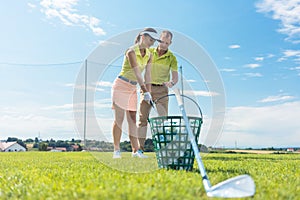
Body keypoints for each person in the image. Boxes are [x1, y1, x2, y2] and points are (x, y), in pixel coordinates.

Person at [111, 28, 160, 159]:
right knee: (119, 119)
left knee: (132, 118)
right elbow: (138, 73)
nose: (152, 43)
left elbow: (147, 75)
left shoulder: (150, 55)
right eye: (151, 40)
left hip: (132, 88)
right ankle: (116, 150)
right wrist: (144, 90)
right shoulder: (131, 51)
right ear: (143, 37)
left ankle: (135, 151)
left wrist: (148, 93)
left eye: (154, 41)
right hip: (121, 85)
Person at [138, 30, 178, 152]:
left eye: (167, 42)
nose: (164, 45)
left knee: (162, 120)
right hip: (147, 88)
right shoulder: (149, 52)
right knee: (142, 119)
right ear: (158, 40)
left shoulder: (172, 58)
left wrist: (171, 82)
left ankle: (162, 148)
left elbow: (175, 77)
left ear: (170, 43)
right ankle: (140, 149)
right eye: (162, 41)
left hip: (162, 90)